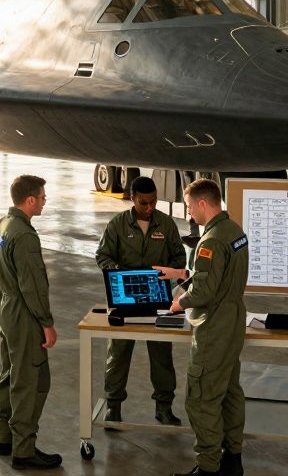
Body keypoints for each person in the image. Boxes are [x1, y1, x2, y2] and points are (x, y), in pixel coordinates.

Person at [154, 179, 248, 476]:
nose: (189, 212)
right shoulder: (234, 231)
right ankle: (233, 461)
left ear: (203, 203)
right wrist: (183, 272)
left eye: (190, 206)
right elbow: (219, 275)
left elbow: (205, 293)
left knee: (201, 397)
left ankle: (208, 467)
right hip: (233, 321)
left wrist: (177, 304)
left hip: (214, 327)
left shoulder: (209, 241)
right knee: (230, 392)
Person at [96, 175, 187, 427]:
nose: (149, 208)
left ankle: (164, 407)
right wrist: (121, 275)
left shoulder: (166, 225)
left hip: (158, 298)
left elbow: (179, 258)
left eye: (153, 202)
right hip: (123, 299)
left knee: (161, 354)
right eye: (144, 203)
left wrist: (166, 274)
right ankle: (113, 406)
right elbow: (102, 256)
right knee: (119, 353)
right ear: (133, 198)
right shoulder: (117, 224)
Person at [0, 174, 61, 471]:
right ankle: (24, 449)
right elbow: (33, 285)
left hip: (4, 307)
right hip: (23, 314)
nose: (45, 202)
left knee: (10, 373)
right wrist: (46, 323)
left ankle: (6, 438)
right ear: (29, 199)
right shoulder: (25, 235)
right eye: (42, 197)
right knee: (31, 381)